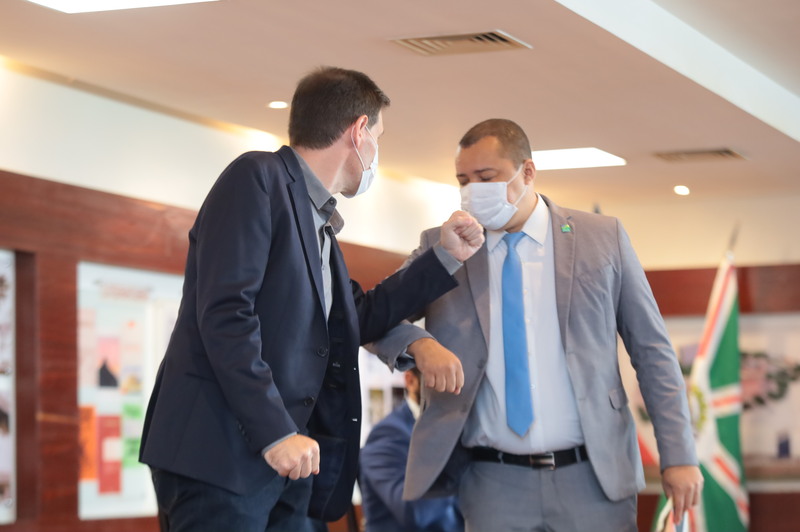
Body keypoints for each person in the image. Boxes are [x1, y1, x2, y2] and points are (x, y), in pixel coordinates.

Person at [139, 67, 484, 532]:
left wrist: (444, 256)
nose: (376, 151)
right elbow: (226, 315)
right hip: (221, 455)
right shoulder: (256, 178)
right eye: (378, 137)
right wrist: (276, 432)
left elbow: (358, 316)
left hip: (288, 464)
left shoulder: (317, 220)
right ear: (359, 132)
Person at [366, 118, 703, 532]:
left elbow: (653, 352)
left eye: (486, 177)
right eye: (463, 180)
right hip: (493, 482)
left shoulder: (602, 238)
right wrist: (421, 345)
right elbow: (374, 318)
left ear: (527, 172)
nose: (473, 191)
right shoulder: (444, 245)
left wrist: (679, 456)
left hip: (593, 477)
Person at [359, 367, 464, 532]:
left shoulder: (453, 429)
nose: (451, 387)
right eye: (440, 376)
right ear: (411, 380)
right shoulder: (387, 435)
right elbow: (415, 513)